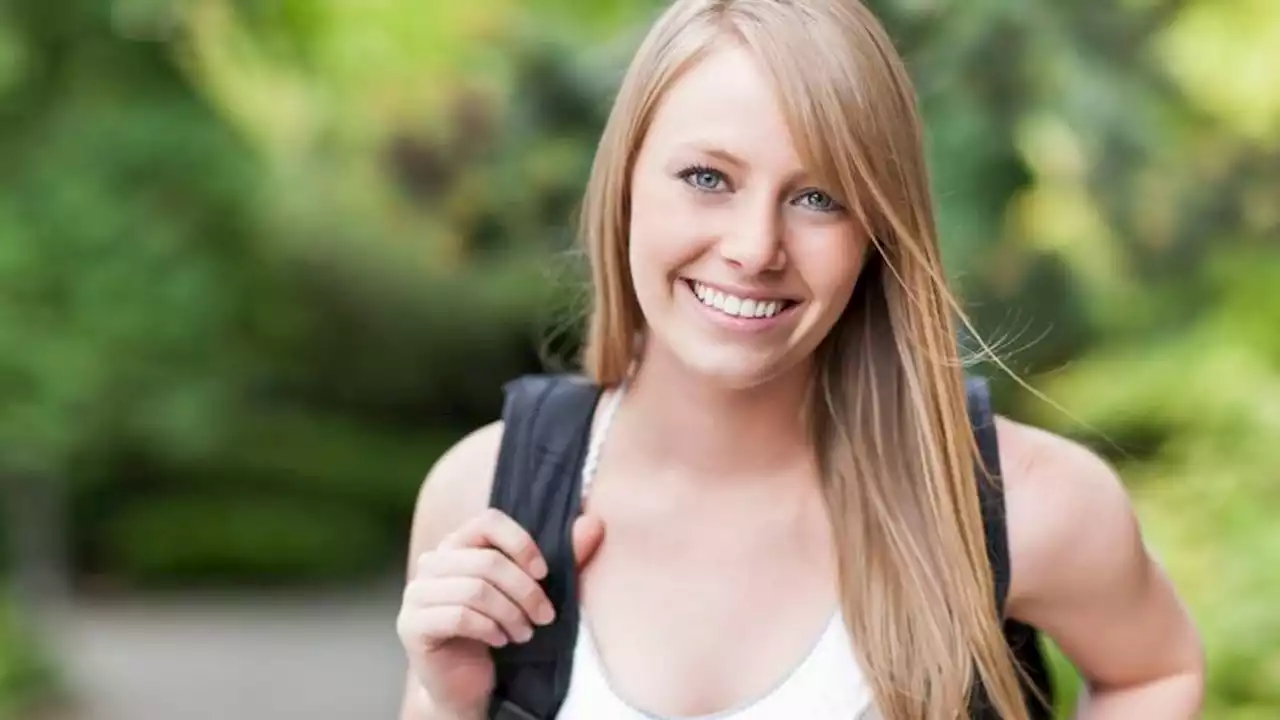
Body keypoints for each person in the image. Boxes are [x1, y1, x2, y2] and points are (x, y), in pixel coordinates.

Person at [395, 0, 1206, 718]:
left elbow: (1155, 672)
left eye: (820, 198)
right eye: (708, 177)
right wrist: (450, 703)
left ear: (878, 232)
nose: (755, 250)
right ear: (626, 185)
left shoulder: (1018, 504)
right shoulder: (485, 500)